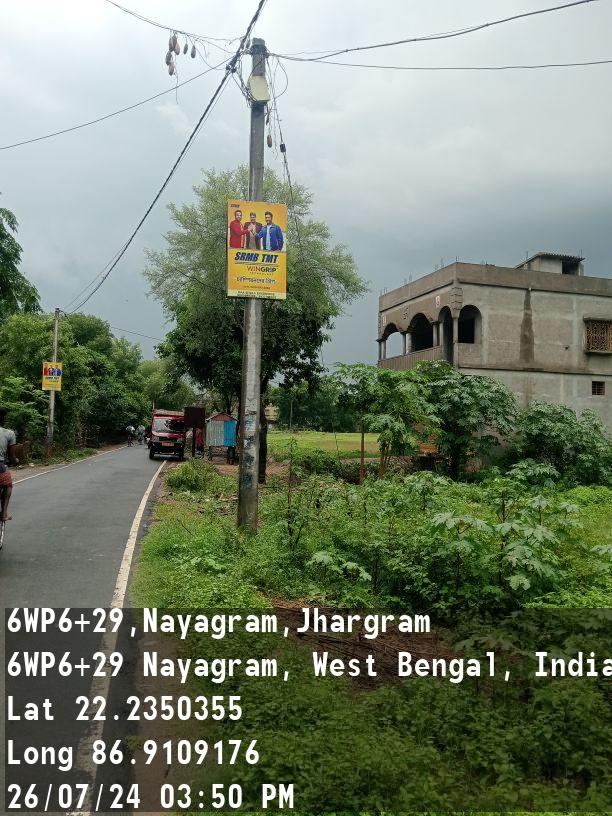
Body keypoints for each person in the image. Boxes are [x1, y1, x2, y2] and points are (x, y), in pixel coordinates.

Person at [0, 407, 17, 523]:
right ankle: (3, 513)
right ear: (2, 418)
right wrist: (15, 461)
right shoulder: (9, 433)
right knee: (8, 484)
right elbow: (12, 457)